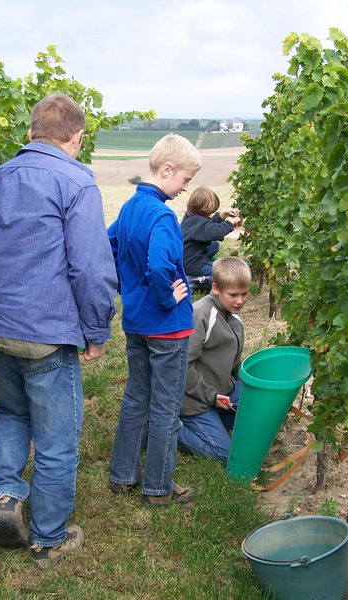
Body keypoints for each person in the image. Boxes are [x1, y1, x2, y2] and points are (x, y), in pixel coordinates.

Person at [0, 93, 117, 568]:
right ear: (76, 137)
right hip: (42, 328)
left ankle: (6, 494)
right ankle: (48, 538)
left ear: (31, 132)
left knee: (11, 411)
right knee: (57, 437)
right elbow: (90, 268)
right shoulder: (76, 181)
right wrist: (96, 330)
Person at [107, 133, 202, 507]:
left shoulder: (131, 207)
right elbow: (161, 263)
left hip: (137, 323)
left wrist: (130, 289)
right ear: (166, 170)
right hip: (168, 326)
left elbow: (108, 245)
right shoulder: (162, 214)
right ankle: (158, 488)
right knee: (164, 405)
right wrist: (166, 295)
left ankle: (123, 475)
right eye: (184, 179)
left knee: (136, 397)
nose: (184, 188)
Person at [177, 257, 251, 464]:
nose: (240, 301)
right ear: (216, 288)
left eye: (244, 294)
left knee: (264, 411)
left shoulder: (232, 314)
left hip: (222, 393)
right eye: (234, 295)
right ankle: (169, 430)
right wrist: (211, 397)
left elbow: (232, 359)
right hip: (194, 401)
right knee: (227, 456)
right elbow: (183, 366)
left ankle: (217, 421)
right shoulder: (200, 314)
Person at [181, 186, 242, 280]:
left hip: (186, 256)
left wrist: (223, 215)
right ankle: (194, 281)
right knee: (220, 276)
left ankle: (196, 273)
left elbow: (208, 227)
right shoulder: (201, 224)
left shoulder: (191, 217)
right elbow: (216, 231)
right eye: (211, 212)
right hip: (192, 264)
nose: (211, 214)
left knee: (214, 246)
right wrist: (231, 223)